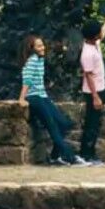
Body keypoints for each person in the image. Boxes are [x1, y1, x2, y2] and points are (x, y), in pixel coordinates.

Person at [17, 35, 87, 167]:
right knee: (52, 127)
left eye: (42, 45)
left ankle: (55, 157)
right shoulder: (32, 61)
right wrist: (22, 98)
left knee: (63, 123)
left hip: (42, 96)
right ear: (31, 49)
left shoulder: (39, 60)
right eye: (38, 46)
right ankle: (71, 158)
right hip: (34, 98)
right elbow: (26, 81)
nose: (42, 47)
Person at [78, 6, 105, 167]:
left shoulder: (93, 44)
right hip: (93, 92)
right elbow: (88, 76)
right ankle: (87, 155)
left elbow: (103, 33)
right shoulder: (87, 53)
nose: (101, 32)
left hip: (100, 88)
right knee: (91, 124)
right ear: (94, 36)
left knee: (94, 122)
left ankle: (88, 154)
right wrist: (95, 97)